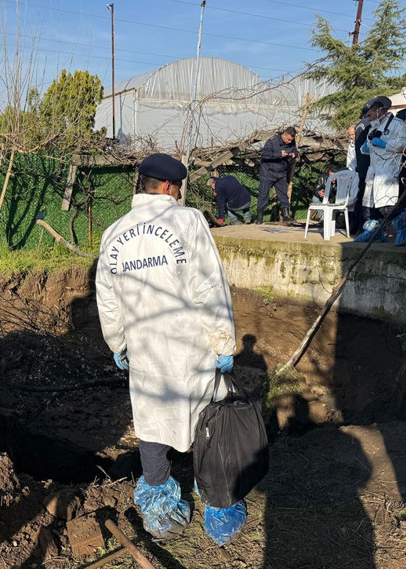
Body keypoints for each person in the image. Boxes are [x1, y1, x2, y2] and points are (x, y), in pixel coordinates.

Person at [95, 153, 245, 545]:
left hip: (146, 352)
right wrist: (223, 343)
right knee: (209, 423)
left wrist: (118, 343)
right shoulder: (188, 221)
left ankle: (162, 515)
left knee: (152, 423)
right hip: (189, 349)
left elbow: (107, 300)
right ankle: (218, 507)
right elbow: (210, 288)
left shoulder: (113, 233)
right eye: (178, 189)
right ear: (168, 187)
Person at [354, 96, 406, 245]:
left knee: (387, 205)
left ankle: (405, 227)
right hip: (374, 170)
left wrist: (385, 144)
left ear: (380, 111)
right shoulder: (374, 127)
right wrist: (365, 149)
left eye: (369, 115)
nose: (367, 119)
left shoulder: (397, 125)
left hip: (389, 170)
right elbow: (371, 148)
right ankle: (374, 233)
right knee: (369, 206)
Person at [256, 126, 298, 224]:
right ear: (285, 135)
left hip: (281, 173)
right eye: (288, 139)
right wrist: (279, 154)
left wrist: (294, 154)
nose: (289, 142)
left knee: (283, 194)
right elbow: (264, 155)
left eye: (291, 140)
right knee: (263, 195)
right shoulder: (271, 142)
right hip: (268, 172)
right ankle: (259, 218)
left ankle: (286, 215)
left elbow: (295, 151)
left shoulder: (292, 141)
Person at [349, 102, 372, 233]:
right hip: (368, 166)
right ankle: (362, 227)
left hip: (362, 167)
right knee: (365, 197)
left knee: (361, 195)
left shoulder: (359, 126)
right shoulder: (367, 125)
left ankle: (355, 226)